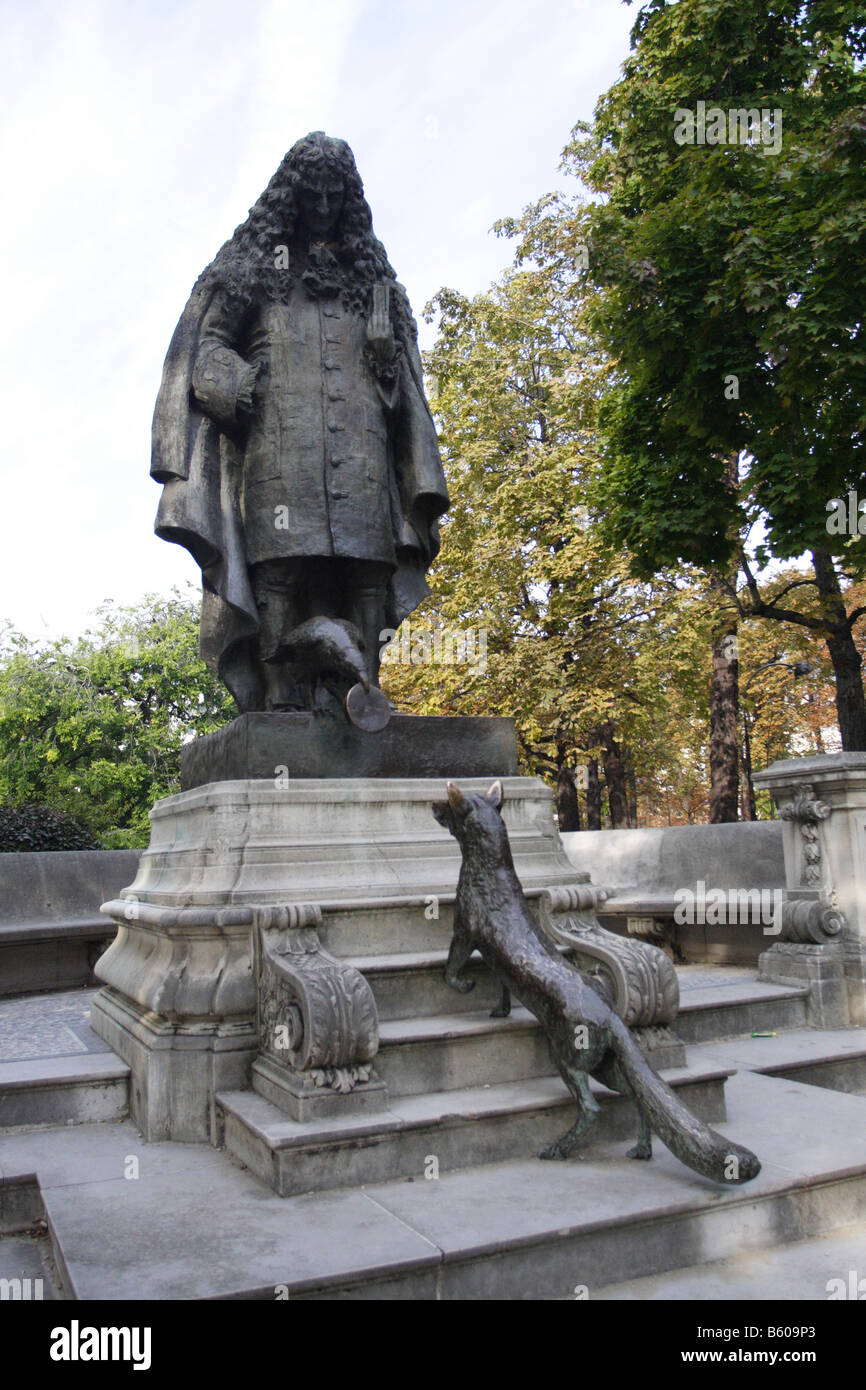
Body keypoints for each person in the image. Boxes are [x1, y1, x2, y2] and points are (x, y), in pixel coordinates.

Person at [151, 132, 449, 713]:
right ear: (291, 196)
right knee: (281, 570)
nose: (321, 208)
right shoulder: (255, 269)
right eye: (311, 196)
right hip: (280, 450)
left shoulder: (371, 279)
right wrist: (244, 384)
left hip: (362, 453)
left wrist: (386, 356)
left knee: (368, 570)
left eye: (332, 197)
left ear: (348, 200)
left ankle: (366, 690)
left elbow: (401, 393)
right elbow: (205, 347)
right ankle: (279, 694)